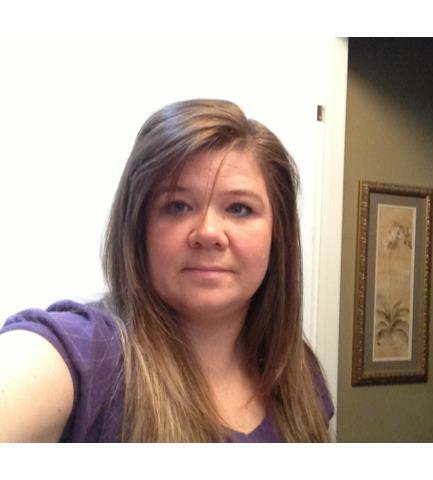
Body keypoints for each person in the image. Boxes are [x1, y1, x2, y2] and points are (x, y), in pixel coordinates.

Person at [0, 99, 334, 442]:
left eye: (239, 208)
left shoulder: (297, 372)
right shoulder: (87, 354)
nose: (208, 233)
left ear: (277, 234)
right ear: (138, 228)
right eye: (177, 206)